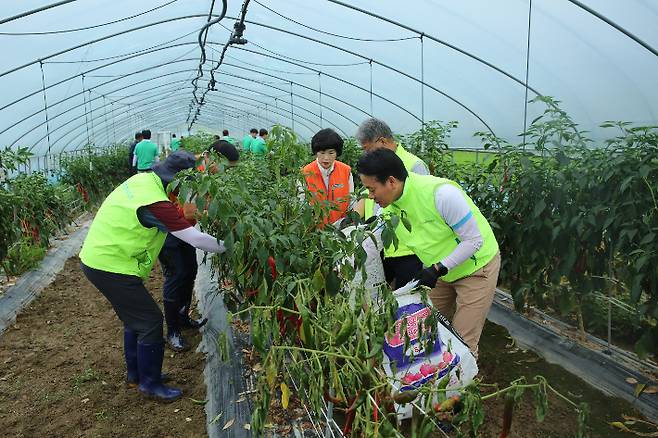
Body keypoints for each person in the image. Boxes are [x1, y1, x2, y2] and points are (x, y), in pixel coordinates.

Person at [79, 150, 226, 401]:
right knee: (150, 321)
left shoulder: (142, 181)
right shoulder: (156, 202)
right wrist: (231, 245)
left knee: (135, 320)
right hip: (111, 266)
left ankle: (136, 374)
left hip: (102, 259)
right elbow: (195, 238)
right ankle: (150, 384)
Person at [356, 148, 500, 356]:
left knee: (462, 344)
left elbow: (473, 241)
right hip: (442, 271)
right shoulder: (390, 209)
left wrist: (436, 269)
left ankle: (459, 386)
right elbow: (372, 240)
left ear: (391, 182)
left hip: (476, 268)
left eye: (372, 189)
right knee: (424, 330)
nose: (370, 196)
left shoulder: (441, 195)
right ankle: (427, 379)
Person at [354, 118, 429, 288]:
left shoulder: (414, 165)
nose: (366, 154)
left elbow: (423, 207)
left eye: (367, 149)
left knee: (407, 300)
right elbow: (368, 193)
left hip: (408, 249)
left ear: (381, 141)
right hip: (381, 244)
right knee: (375, 294)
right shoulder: (374, 166)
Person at [301, 128, 354, 225]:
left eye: (331, 153)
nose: (326, 158)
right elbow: (301, 203)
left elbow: (351, 201)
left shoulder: (346, 171)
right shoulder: (306, 172)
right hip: (314, 230)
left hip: (340, 228)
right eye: (322, 153)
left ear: (337, 153)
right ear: (316, 152)